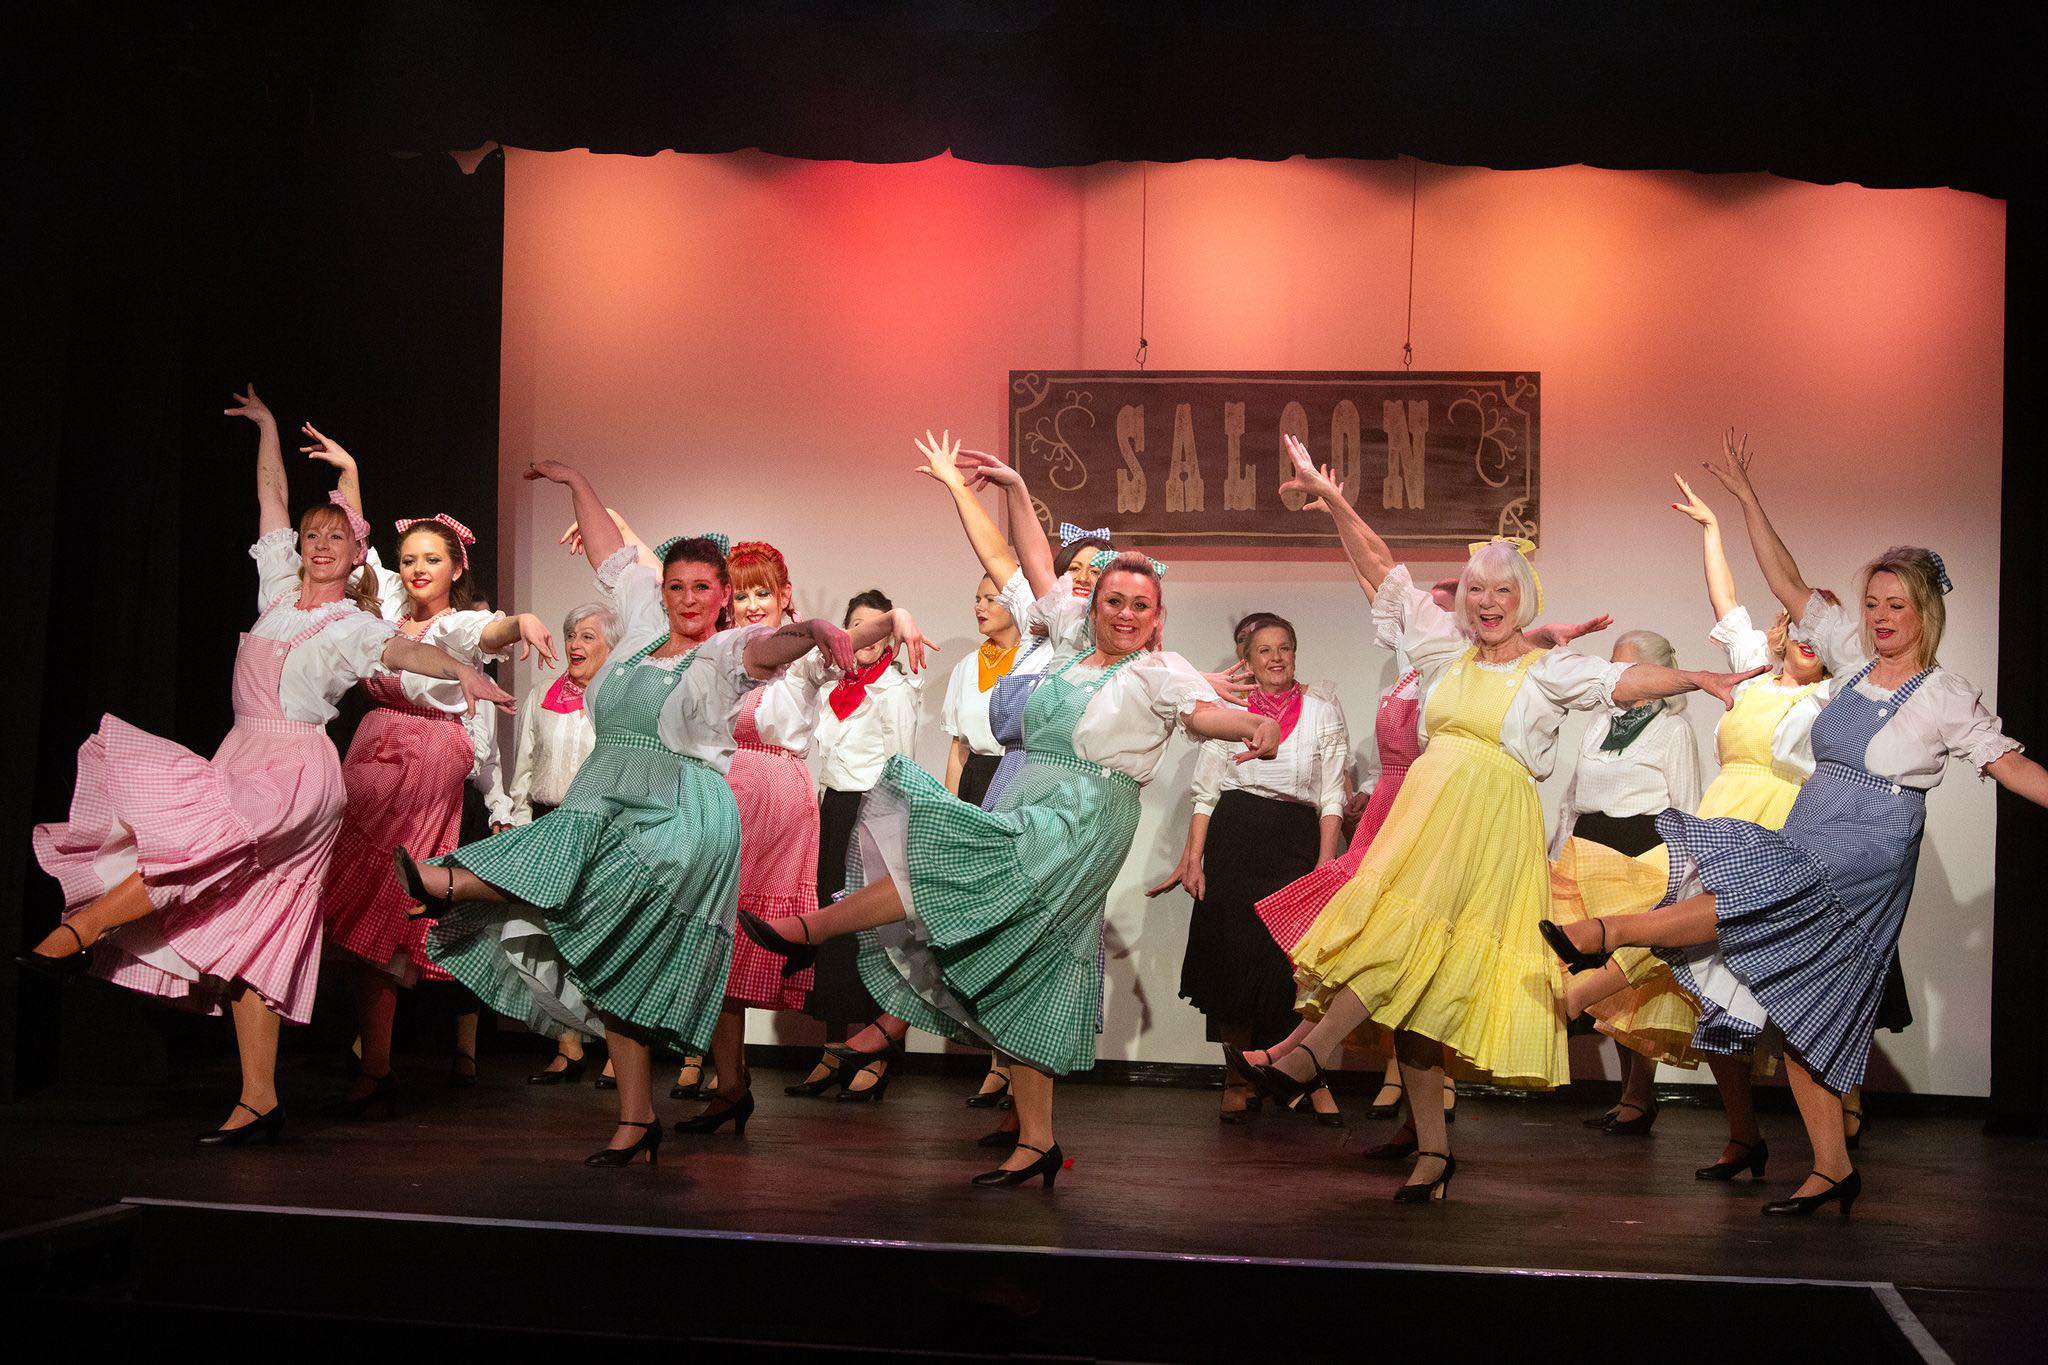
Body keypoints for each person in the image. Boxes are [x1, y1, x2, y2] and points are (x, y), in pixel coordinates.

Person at [740, 432, 1283, 1187]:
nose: (1125, 613)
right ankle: (1038, 1141)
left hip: (1084, 818)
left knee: (941, 866)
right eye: (1113, 600)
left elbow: (1204, 715)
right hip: (1030, 795)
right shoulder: (1067, 640)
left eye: (1140, 605)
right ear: (1094, 604)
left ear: (1158, 616)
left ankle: (812, 929)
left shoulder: (1162, 671)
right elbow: (1018, 557)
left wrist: (1254, 725)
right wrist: (1017, 491)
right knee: (1030, 963)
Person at [1231, 435, 1753, 1202]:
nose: (1486, 601)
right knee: (1417, 989)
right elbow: (1381, 570)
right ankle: (1433, 1152)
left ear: (1522, 599)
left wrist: (1698, 677)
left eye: (1501, 590)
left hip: (1487, 829)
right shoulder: (1441, 654)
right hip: (1426, 820)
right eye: (1476, 588)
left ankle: (1310, 1055)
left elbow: (1622, 678)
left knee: (1404, 947)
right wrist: (1334, 499)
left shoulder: (1548, 672)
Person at [1545, 442, 2048, 1215]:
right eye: (1873, 604)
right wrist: (1748, 499)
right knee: (1802, 1001)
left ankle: (1607, 933)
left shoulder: (1944, 693)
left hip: (1870, 844)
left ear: (1925, 612)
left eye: (1896, 606)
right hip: (1814, 821)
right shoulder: (1850, 664)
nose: (1880, 618)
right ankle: (1833, 1167)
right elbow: (1786, 582)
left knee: (1749, 887)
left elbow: (2009, 765)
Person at [21, 385, 513, 1144]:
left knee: (194, 849)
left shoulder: (351, 622)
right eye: (312, 535)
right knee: (253, 922)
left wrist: (462, 673)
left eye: (335, 537)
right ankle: (259, 1099)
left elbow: (404, 652)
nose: (319, 544)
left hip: (296, 772)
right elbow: (272, 495)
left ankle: (81, 930)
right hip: (241, 753)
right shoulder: (277, 591)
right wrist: (268, 429)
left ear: (356, 556)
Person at [402, 459, 924, 1165]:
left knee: (588, 870)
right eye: (675, 586)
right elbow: (608, 555)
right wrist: (576, 482)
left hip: (679, 807)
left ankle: (450, 883)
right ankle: (637, 1117)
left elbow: (776, 648)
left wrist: (819, 628)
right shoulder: (643, 626)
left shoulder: (725, 651)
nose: (686, 598)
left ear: (722, 597)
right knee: (605, 945)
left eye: (702, 588)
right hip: (609, 790)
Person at [309, 426, 559, 1120]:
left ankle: (378, 1063)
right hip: (372, 747)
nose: (417, 569)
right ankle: (375, 1051)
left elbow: (490, 632)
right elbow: (360, 549)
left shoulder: (458, 627)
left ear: (455, 568)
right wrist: (351, 470)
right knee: (350, 891)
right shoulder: (389, 609)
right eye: (409, 559)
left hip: (426, 758)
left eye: (432, 559)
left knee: (386, 896)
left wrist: (522, 620)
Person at [1153, 612, 1348, 1123]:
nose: (1276, 657)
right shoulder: (1229, 712)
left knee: (1291, 968)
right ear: (1248, 659)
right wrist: (1193, 859)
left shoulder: (1322, 709)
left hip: (1295, 840)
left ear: (1295, 654)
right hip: (1236, 837)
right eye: (1265, 650)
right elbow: (1206, 793)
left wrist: (1325, 864)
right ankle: (1237, 1078)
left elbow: (1331, 795)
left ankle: (1301, 1075)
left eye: (1284, 647)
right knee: (1232, 962)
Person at [1548, 629, 1701, 1136]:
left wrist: (1684, 880)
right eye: (1613, 667)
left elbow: (1686, 806)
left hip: (1642, 852)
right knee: (1602, 979)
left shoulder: (1673, 731)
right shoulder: (1600, 723)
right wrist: (1558, 851)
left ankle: (1639, 1094)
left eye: (1628, 668)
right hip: (1591, 846)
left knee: (1635, 974)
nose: (1616, 677)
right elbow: (1573, 797)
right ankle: (1631, 1095)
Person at [782, 587, 927, 1101]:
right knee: (831, 930)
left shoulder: (896, 688)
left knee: (874, 934)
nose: (866, 639)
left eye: (876, 628)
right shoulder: (830, 685)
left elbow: (902, 762)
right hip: (835, 810)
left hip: (876, 811)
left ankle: (876, 1055)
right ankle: (832, 1048)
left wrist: (892, 827)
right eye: (856, 627)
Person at [513, 603, 617, 1085]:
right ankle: (567, 1044)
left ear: (613, 646)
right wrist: (516, 822)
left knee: (603, 939)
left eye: (588, 637)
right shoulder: (542, 695)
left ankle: (618, 1050)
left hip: (601, 826)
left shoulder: (618, 699)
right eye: (572, 634)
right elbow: (525, 764)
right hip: (548, 821)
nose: (575, 644)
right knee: (551, 939)